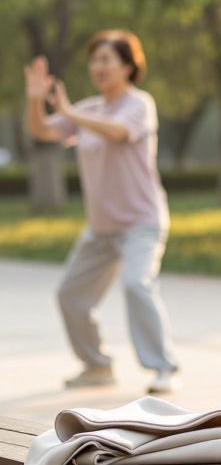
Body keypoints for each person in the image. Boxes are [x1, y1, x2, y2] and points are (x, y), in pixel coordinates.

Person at [24, 31, 180, 394]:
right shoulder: (87, 108)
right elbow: (43, 129)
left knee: (137, 285)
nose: (99, 66)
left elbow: (118, 132)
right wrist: (35, 101)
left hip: (141, 223)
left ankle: (164, 368)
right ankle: (97, 365)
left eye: (107, 59)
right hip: (101, 228)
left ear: (128, 66)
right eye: (95, 60)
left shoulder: (139, 104)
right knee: (70, 295)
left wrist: (68, 111)